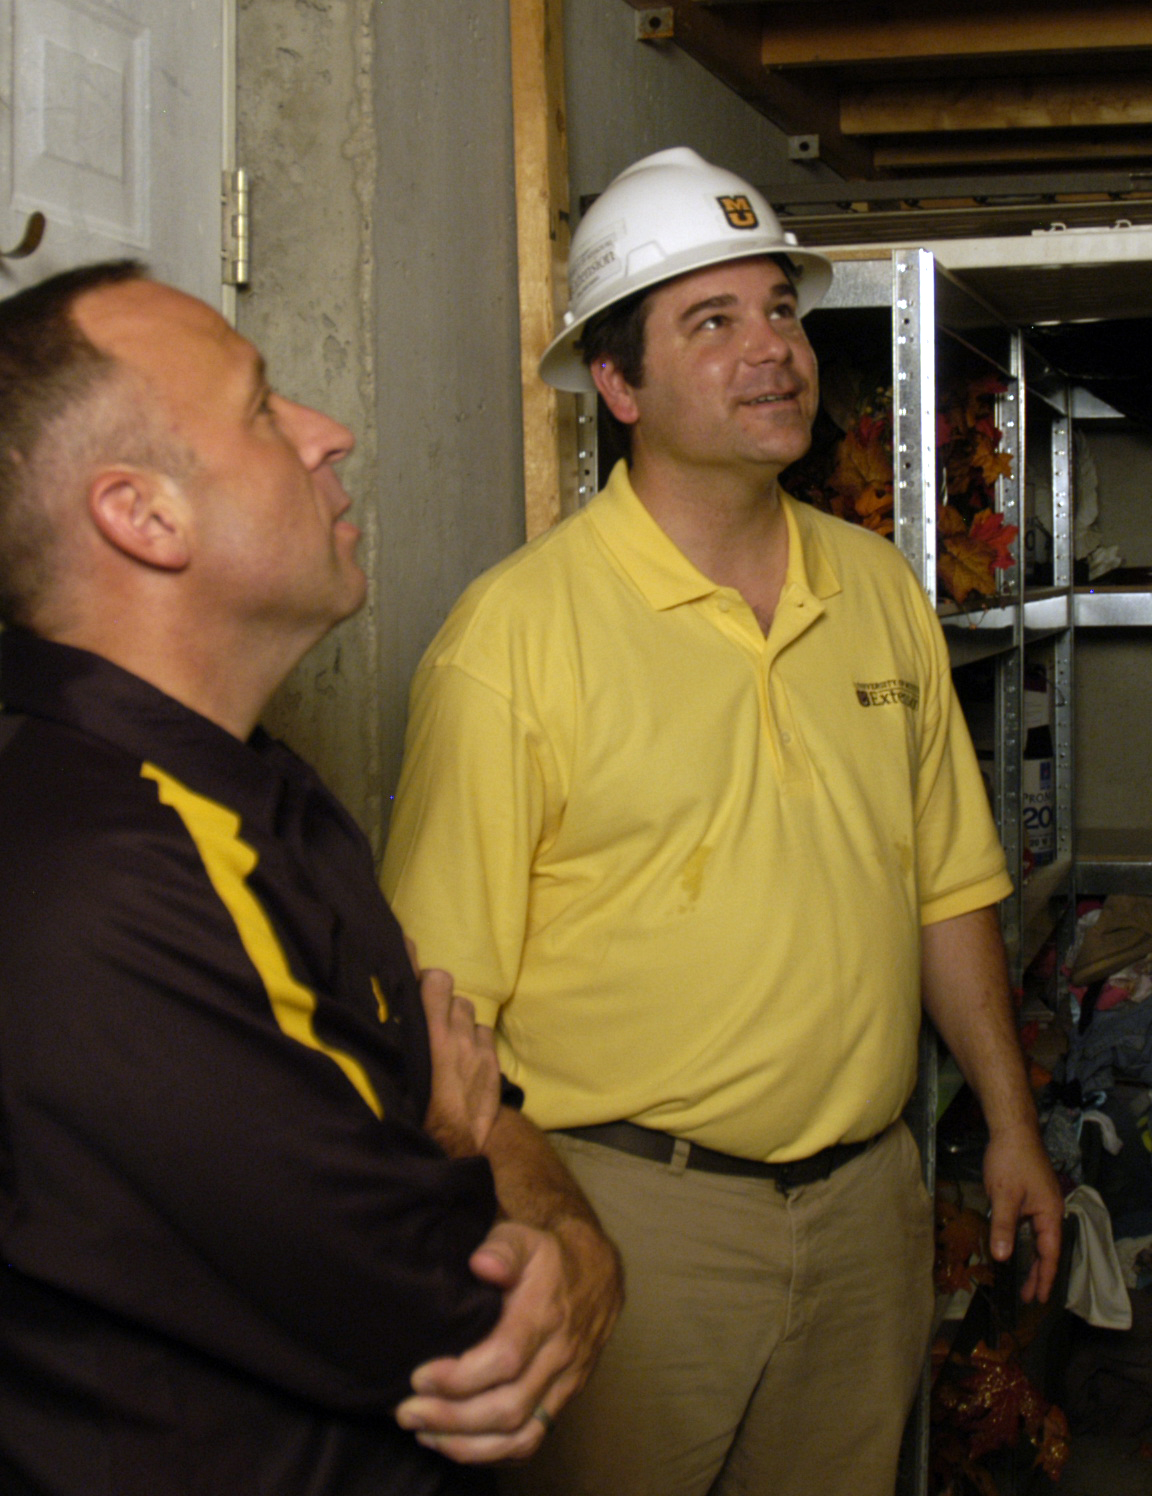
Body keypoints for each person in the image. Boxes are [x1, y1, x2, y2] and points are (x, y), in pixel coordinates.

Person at [0, 261, 621, 1496]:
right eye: (264, 407)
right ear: (143, 516)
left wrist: (566, 1232)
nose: (330, 433)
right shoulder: (89, 891)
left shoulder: (241, 792)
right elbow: (460, 1316)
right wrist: (460, 1154)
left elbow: (474, 1100)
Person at [381, 146, 1065, 1496]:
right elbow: (438, 1013)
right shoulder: (514, 640)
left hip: (869, 1204)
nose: (773, 352)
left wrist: (1009, 1122)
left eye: (782, 311)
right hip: (633, 1210)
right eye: (715, 320)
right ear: (619, 385)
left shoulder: (878, 594)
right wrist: (547, 1230)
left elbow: (945, 890)